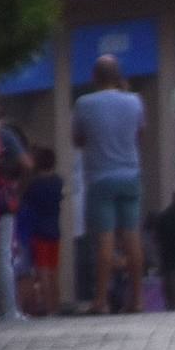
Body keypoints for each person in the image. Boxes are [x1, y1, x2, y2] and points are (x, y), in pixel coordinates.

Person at [73, 55, 146, 315]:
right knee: (132, 236)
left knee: (104, 239)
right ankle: (136, 299)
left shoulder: (84, 104)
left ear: (94, 77)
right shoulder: (135, 101)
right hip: (130, 175)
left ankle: (100, 300)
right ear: (118, 76)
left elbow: (78, 139)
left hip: (100, 177)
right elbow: (140, 135)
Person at [0, 91, 32, 320]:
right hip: (1, 202)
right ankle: (8, 309)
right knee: (3, 254)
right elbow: (26, 164)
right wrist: (17, 189)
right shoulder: (3, 136)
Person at [17, 146, 63, 316]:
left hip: (39, 233)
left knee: (42, 270)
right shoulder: (57, 182)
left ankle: (47, 305)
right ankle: (56, 305)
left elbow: (22, 199)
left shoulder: (34, 185)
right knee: (54, 270)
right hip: (55, 231)